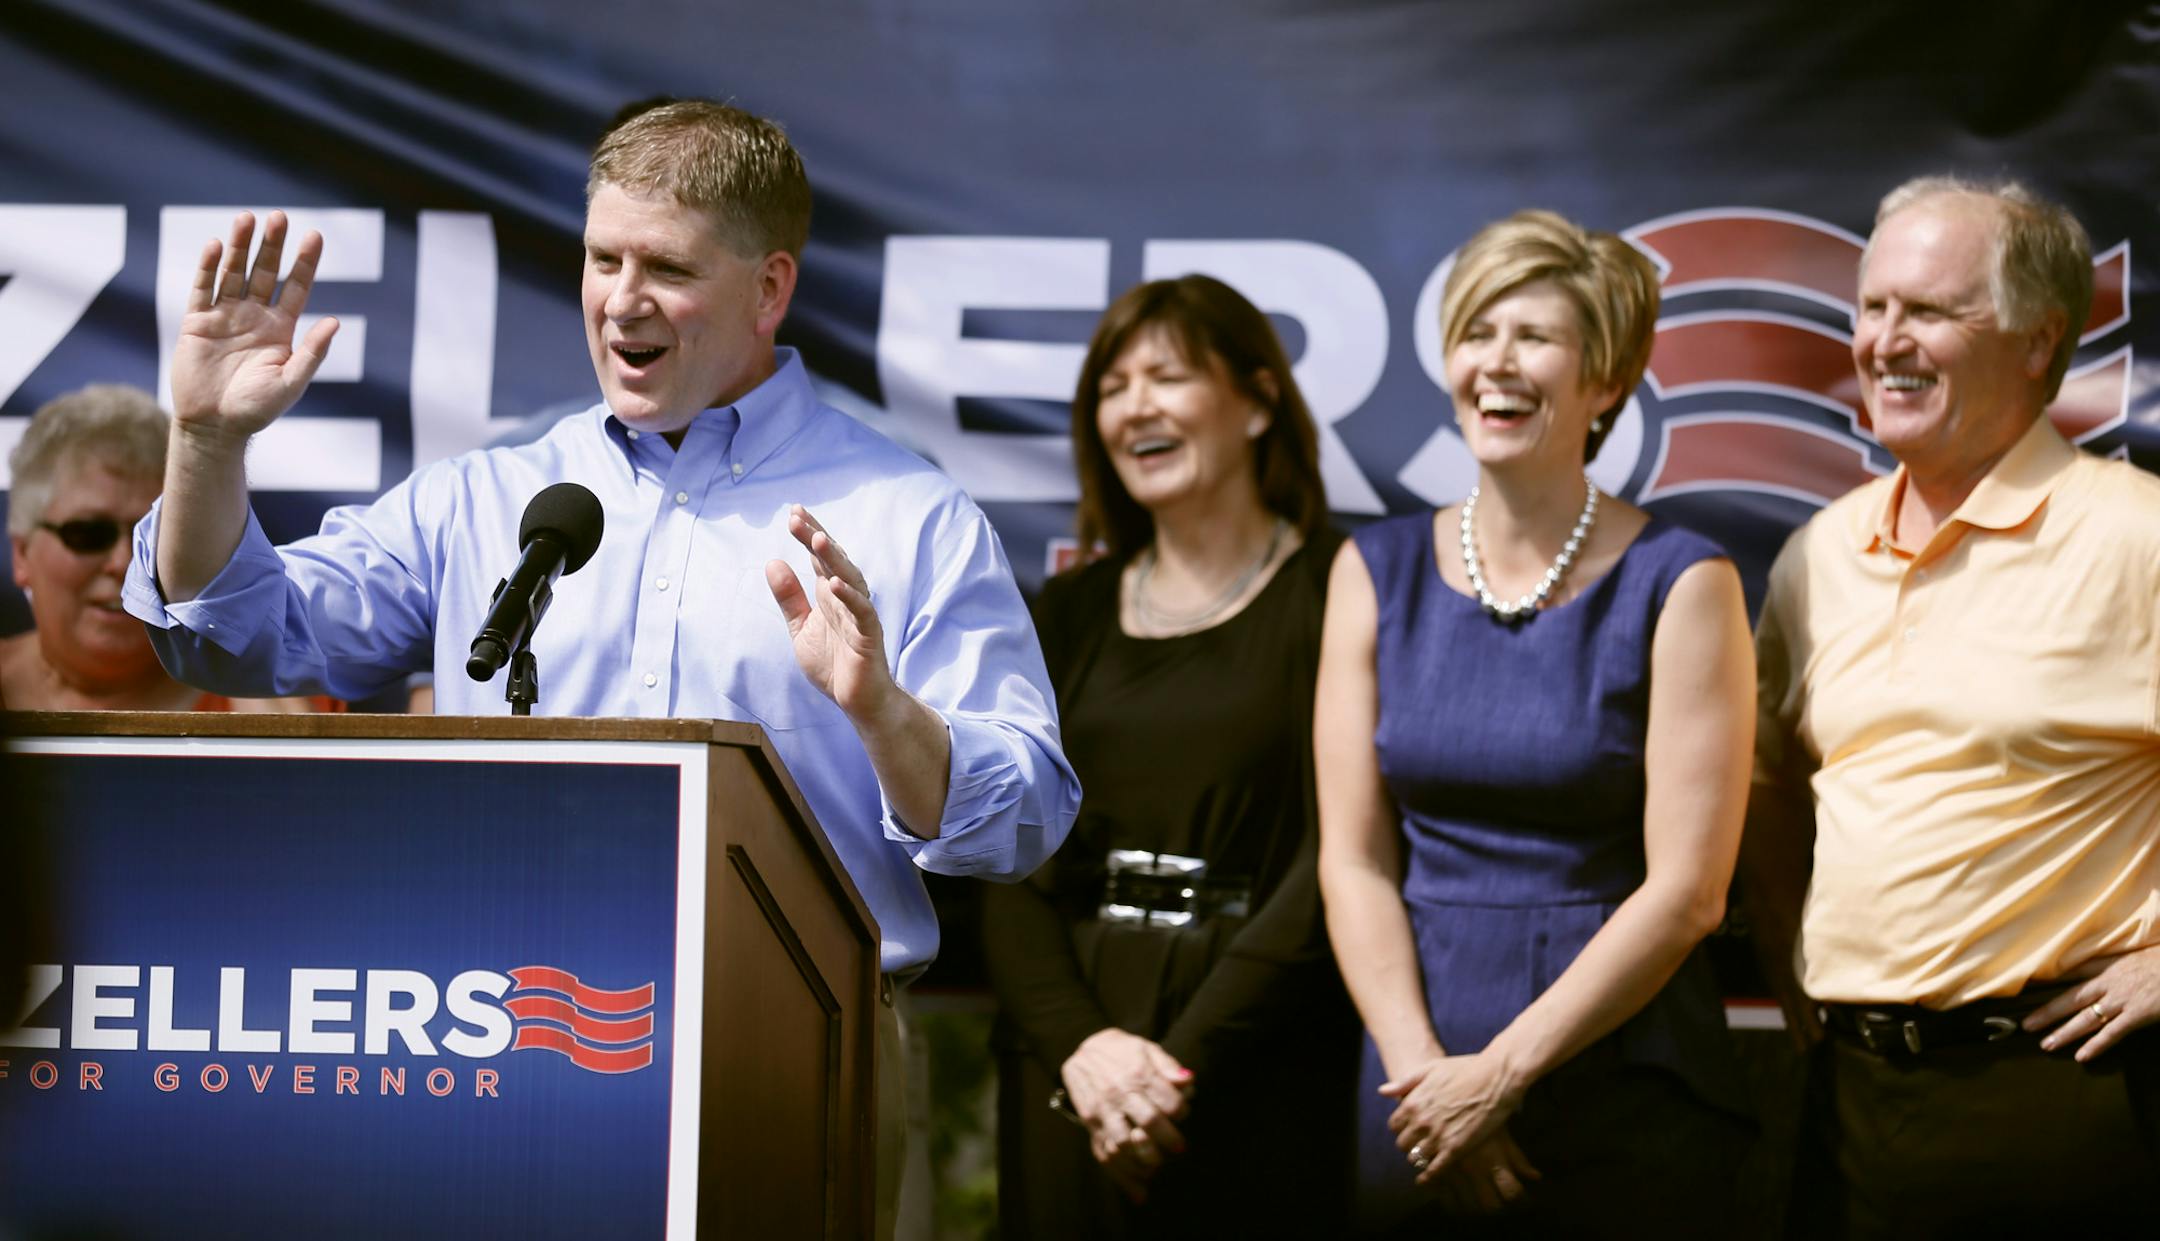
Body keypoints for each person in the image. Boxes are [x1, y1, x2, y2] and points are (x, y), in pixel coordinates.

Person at [117, 99, 1080, 1234]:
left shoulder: (905, 517)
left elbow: (1021, 820)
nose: (622, 298)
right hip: (495, 1051)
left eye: (668, 266)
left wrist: (881, 711)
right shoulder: (487, 497)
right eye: (602, 257)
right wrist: (206, 442)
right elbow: (232, 633)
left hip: (798, 1049)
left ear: (770, 290)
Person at [1315, 210, 1757, 1234]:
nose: (1497, 363)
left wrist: (1502, 1075)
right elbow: (1354, 860)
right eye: (1478, 332)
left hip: (1621, 1084)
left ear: (1604, 381)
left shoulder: (1684, 580)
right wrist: (1427, 1079)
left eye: (1535, 337)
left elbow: (1690, 891)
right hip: (1411, 1092)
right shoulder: (1369, 572)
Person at [1745, 176, 2160, 1235]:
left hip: (2074, 1096)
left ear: (2038, 340)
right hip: (1847, 1101)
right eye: (1873, 306)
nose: (1886, 340)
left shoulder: (2138, 536)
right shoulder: (1816, 556)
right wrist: (1790, 949)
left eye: (1928, 310)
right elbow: (1771, 782)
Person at [982, 275, 1358, 1237]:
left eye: (1170, 376)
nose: (1135, 405)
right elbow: (1008, 858)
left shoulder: (1339, 590)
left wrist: (1177, 1065)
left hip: (1260, 1040)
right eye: (1113, 385)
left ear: (1260, 401)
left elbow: (1342, 860)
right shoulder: (1064, 614)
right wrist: (1087, 1049)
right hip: (1074, 1062)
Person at [2, 383, 335, 713]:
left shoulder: (289, 699)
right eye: (89, 534)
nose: (122, 561)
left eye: (149, 537)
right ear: (21, 554)